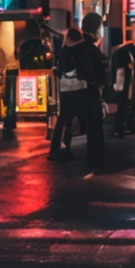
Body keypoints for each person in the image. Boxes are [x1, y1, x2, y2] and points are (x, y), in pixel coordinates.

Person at [48, 26, 88, 161]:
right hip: (80, 88)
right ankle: (68, 148)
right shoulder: (82, 51)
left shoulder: (65, 51)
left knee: (63, 119)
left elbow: (61, 69)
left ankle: (56, 149)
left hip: (66, 89)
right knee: (72, 120)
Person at [81, 12, 107, 171]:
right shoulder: (91, 50)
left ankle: (93, 161)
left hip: (78, 93)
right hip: (90, 93)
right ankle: (96, 162)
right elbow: (99, 75)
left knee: (91, 128)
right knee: (95, 128)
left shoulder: (77, 47)